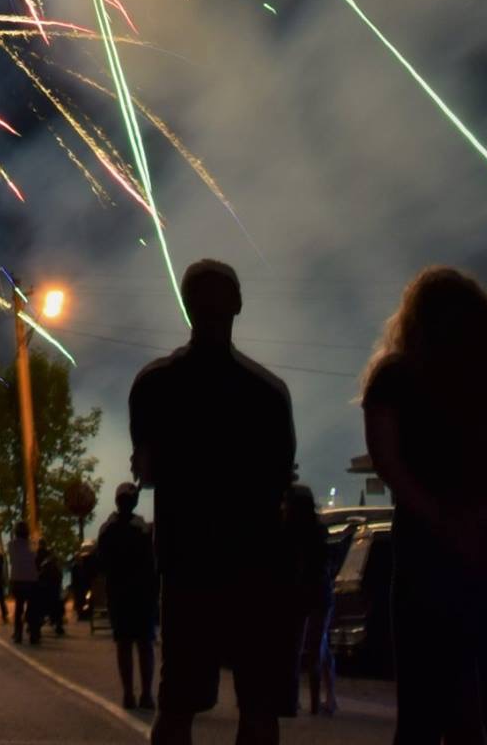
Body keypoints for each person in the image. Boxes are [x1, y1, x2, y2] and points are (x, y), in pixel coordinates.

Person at [361, 265, 487, 745]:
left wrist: (444, 520)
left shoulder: (395, 375)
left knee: (425, 708)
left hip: (430, 559)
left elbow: (387, 462)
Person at [130, 257, 295, 745]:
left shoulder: (155, 384)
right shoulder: (268, 392)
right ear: (238, 305)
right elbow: (280, 477)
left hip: (187, 564)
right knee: (258, 707)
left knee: (178, 704)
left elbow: (149, 472)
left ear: (187, 307)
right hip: (254, 566)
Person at [95, 483, 158, 712]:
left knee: (125, 644)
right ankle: (146, 695)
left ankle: (129, 694)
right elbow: (153, 562)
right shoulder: (142, 528)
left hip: (120, 593)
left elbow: (100, 563)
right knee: (144, 644)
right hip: (141, 594)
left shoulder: (107, 529)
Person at [280, 485, 337, 718]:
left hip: (301, 594)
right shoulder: (318, 531)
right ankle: (321, 701)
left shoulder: (288, 531)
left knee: (297, 649)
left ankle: (295, 702)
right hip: (318, 594)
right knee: (316, 648)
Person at [7, 520, 40, 645]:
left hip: (17, 579)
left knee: (19, 607)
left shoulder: (11, 545)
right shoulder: (32, 545)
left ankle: (18, 633)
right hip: (32, 579)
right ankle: (33, 633)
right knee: (32, 608)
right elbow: (35, 558)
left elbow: (12, 559)